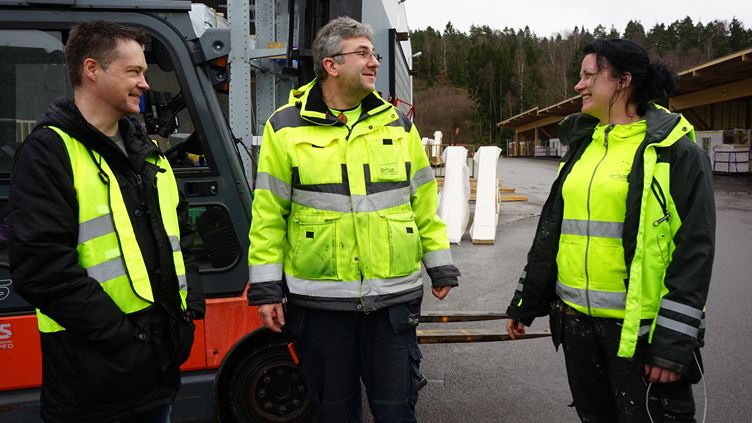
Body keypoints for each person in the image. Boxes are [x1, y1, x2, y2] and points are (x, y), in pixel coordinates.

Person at [247, 16, 460, 422]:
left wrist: (441, 265)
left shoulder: (398, 125)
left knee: (397, 411)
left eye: (374, 53)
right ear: (331, 64)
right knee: (335, 412)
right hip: (323, 307)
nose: (375, 62)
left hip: (392, 303)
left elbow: (422, 201)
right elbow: (269, 213)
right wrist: (267, 290)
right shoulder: (285, 128)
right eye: (363, 53)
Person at [506, 38, 714, 423]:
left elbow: (694, 253)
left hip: (638, 334)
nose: (578, 85)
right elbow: (556, 232)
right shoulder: (584, 148)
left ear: (622, 81)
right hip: (578, 326)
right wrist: (527, 300)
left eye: (588, 75)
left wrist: (672, 345)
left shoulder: (675, 151)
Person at [9, 21, 204, 423]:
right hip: (93, 383)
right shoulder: (50, 152)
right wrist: (128, 340)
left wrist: (189, 314)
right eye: (134, 72)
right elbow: (41, 270)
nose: (145, 84)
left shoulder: (147, 152)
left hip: (156, 374)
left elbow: (183, 238)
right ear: (92, 69)